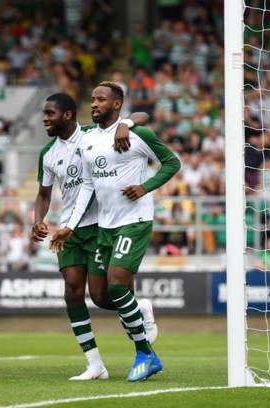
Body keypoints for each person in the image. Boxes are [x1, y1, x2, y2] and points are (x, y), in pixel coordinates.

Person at [50, 82, 181, 382]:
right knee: (99, 296)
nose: (94, 103)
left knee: (118, 285)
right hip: (104, 225)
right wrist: (70, 225)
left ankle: (145, 354)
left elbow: (172, 162)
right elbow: (87, 184)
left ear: (117, 104)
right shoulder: (87, 140)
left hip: (134, 220)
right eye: (92, 98)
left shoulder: (136, 134)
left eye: (101, 99)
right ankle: (142, 308)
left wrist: (144, 186)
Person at [31, 92, 154, 381]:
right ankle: (95, 365)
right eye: (44, 114)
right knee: (72, 291)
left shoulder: (93, 133)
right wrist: (39, 220)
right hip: (68, 229)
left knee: (101, 297)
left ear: (67, 115)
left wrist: (125, 123)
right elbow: (43, 194)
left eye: (50, 114)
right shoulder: (47, 154)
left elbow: (143, 117)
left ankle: (140, 308)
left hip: (101, 224)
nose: (45, 119)